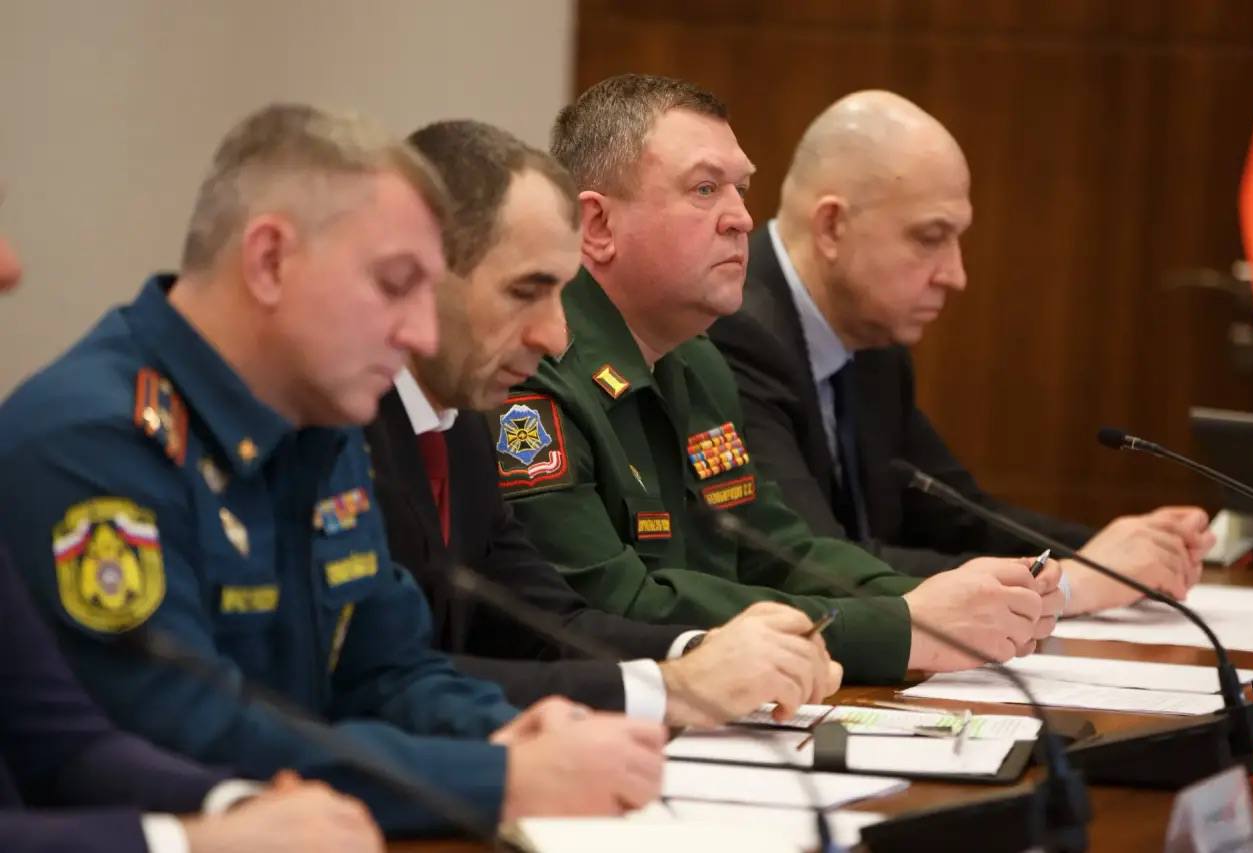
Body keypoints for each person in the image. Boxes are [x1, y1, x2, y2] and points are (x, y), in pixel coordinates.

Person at [0, 104, 665, 838]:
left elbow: (387, 670)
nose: (419, 333)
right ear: (270, 262)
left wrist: (504, 732)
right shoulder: (91, 440)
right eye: (394, 284)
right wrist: (497, 776)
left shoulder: (320, 420)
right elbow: (186, 732)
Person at [492, 74, 1064, 683]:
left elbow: (778, 550)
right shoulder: (531, 376)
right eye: (705, 189)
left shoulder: (697, 362)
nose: (741, 218)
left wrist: (932, 599)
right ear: (598, 226)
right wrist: (902, 626)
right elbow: (614, 605)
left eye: (741, 189)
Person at [365, 118, 841, 727]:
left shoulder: (462, 424)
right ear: (419, 277)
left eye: (561, 294)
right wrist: (673, 688)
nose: (553, 335)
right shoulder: (342, 432)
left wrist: (701, 652)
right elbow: (377, 681)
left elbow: (545, 624)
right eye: (525, 292)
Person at [707, 90, 1216, 614]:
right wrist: (1067, 581)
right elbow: (811, 564)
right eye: (931, 238)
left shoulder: (872, 336)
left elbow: (959, 516)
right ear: (832, 227)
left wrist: (1110, 552)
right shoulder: (733, 334)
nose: (956, 275)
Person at [0, 209, 382, 853]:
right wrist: (191, 841)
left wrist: (247, 805)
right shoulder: (85, 431)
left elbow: (61, 742)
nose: (10, 267)